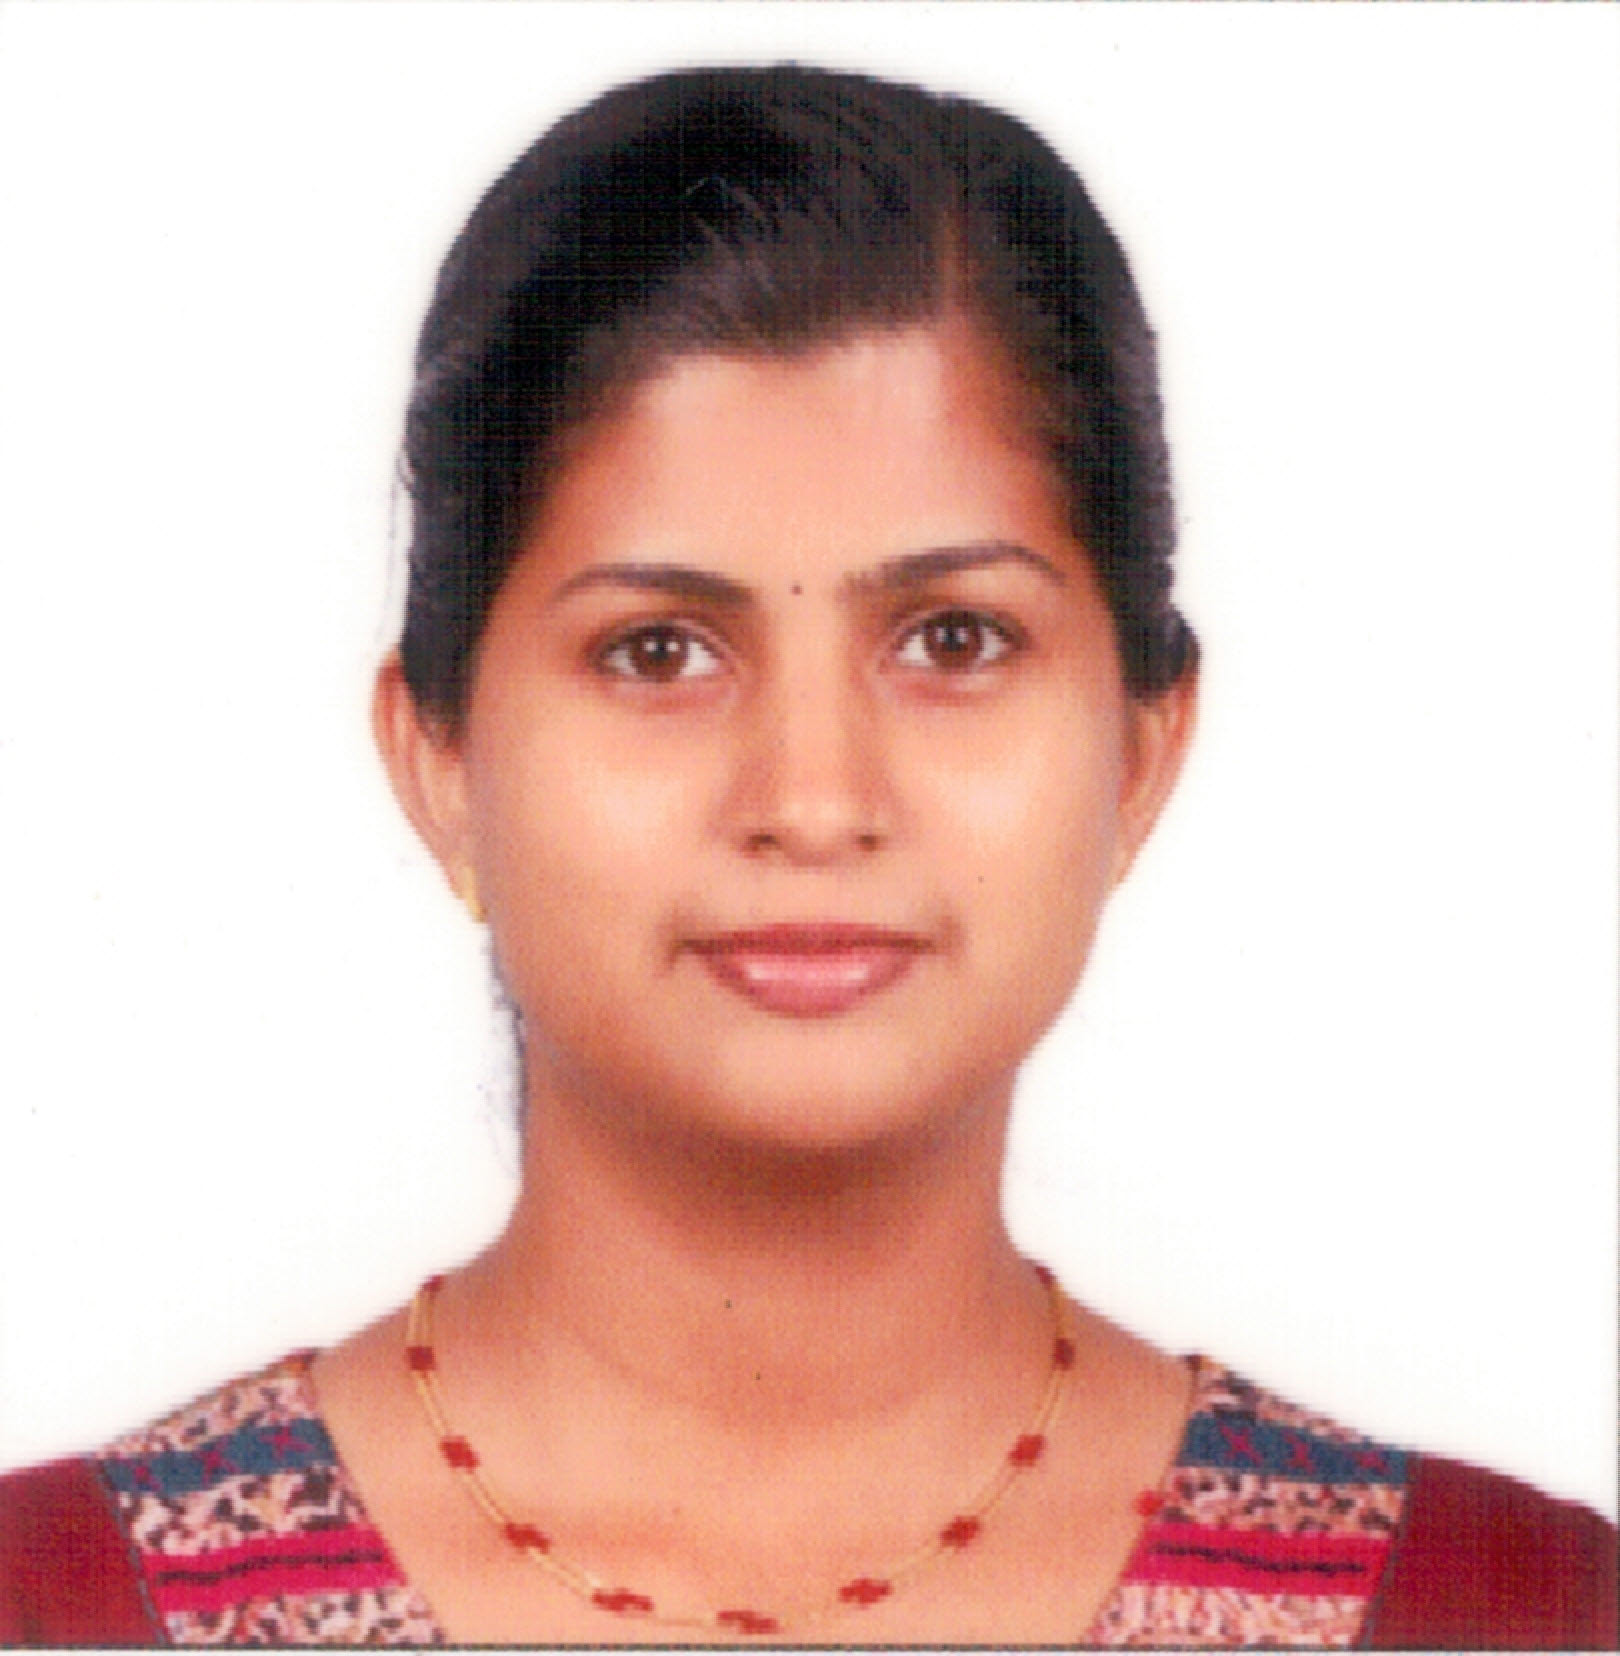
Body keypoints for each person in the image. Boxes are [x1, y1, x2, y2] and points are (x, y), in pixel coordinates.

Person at [1, 62, 1613, 1649]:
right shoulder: (64, 1608)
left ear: (1139, 752)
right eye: (657, 651)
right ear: (439, 758)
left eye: (954, 638)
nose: (816, 798)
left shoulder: (1508, 1616)